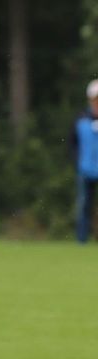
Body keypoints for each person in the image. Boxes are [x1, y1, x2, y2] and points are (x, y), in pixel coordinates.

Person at [71, 79, 98, 243]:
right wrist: (77, 161)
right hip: (86, 169)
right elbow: (72, 143)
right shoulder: (80, 118)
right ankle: (82, 240)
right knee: (83, 206)